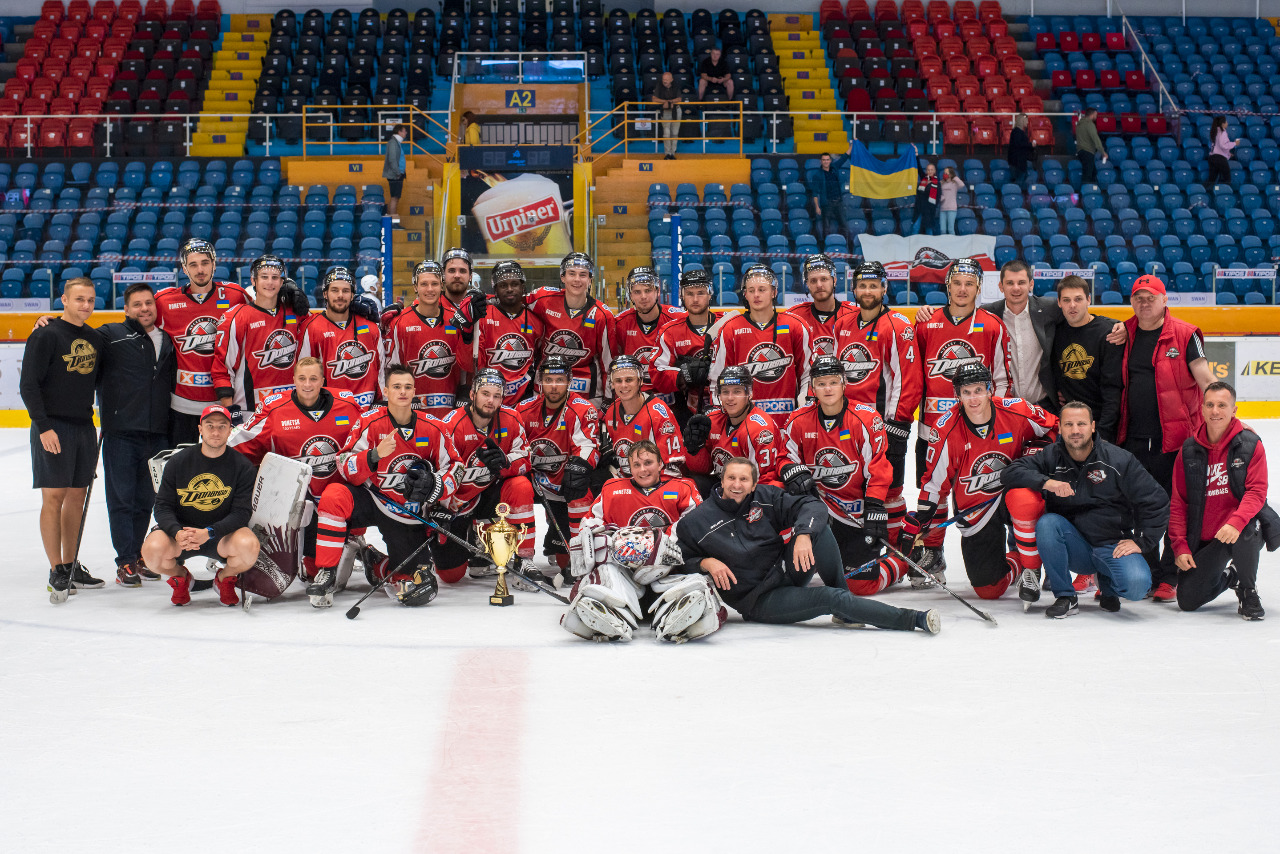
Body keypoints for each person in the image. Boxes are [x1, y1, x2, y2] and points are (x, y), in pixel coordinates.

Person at [676, 457, 940, 633]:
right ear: (721, 480)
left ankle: (846, 607)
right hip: (761, 599)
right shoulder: (696, 522)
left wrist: (803, 534)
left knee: (818, 530)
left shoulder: (764, 496)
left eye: (744, 479)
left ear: (754, 484)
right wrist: (705, 562)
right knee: (830, 598)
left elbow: (812, 505)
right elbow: (679, 564)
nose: (737, 485)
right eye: (731, 478)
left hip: (786, 570)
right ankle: (911, 619)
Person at [1001, 401, 1167, 618]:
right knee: (1048, 523)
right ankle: (1065, 596)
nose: (1075, 430)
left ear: (1093, 426)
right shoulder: (1051, 456)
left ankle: (1108, 584)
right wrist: (1047, 482)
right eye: (1069, 424)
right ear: (1060, 428)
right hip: (1074, 546)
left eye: (1081, 424)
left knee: (1137, 587)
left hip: (1112, 545)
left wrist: (1142, 541)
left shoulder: (1118, 459)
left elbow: (1156, 500)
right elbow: (1010, 472)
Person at [906, 364, 1056, 598]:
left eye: (978, 390)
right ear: (957, 395)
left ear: (989, 389)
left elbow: (1054, 427)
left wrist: (1038, 454)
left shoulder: (1017, 410)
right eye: (966, 392)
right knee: (988, 589)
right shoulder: (945, 429)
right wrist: (923, 523)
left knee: (1024, 500)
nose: (973, 398)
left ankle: (1031, 567)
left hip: (1013, 492)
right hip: (976, 507)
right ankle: (1018, 561)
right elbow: (935, 485)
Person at [315, 364, 460, 606]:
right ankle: (326, 572)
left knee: (412, 582)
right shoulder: (369, 422)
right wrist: (373, 456)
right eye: (396, 387)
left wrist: (435, 485)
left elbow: (457, 468)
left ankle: (376, 563)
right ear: (386, 391)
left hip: (407, 513)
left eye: (407, 387)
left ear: (414, 392)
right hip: (373, 499)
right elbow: (343, 463)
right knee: (334, 496)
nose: (402, 392)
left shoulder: (434, 427)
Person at [562, 441, 721, 642]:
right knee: (604, 573)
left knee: (694, 581)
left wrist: (659, 543)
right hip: (625, 571)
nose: (642, 469)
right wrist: (614, 541)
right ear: (629, 467)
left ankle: (680, 609)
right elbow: (589, 525)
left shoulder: (683, 487)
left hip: (668, 570)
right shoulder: (612, 488)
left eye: (648, 463)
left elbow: (695, 524)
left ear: (660, 464)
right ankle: (608, 611)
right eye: (636, 465)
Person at [1118, 274, 1215, 602]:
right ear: (1132, 302)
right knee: (1140, 507)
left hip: (1175, 440)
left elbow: (1205, 379)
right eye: (1138, 298)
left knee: (1176, 507)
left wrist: (1228, 418)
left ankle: (1170, 575)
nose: (1145, 303)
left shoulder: (1185, 334)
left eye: (1151, 297)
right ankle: (1147, 570)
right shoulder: (1125, 332)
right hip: (1133, 439)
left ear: (1164, 300)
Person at [228, 357, 365, 591]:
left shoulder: (348, 405)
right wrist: (209, 453)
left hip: (338, 498)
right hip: (298, 500)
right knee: (314, 572)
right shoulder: (275, 409)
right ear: (293, 380)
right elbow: (240, 443)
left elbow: (367, 442)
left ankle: (357, 545)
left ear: (323, 380)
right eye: (302, 379)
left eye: (313, 378)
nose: (307, 384)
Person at [781, 356, 910, 595]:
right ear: (812, 387)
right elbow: (784, 457)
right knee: (794, 577)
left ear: (844, 383)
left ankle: (903, 559)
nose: (827, 389)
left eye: (833, 382)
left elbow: (878, 468)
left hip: (854, 511)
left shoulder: (866, 418)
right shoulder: (798, 420)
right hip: (816, 510)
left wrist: (874, 505)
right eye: (821, 384)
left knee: (860, 586)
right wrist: (790, 470)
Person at [21, 278, 106, 602]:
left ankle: (70, 565)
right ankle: (56, 568)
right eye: (79, 299)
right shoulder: (45, 334)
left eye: (90, 300)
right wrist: (43, 427)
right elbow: (29, 385)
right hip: (52, 426)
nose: (86, 305)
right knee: (54, 496)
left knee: (76, 497)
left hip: (83, 426)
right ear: (64, 300)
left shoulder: (94, 338)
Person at [830, 261, 922, 542]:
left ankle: (898, 553)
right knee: (853, 487)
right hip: (848, 425)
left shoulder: (897, 325)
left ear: (884, 289)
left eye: (873, 285)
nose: (867, 291)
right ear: (854, 289)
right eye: (862, 285)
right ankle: (861, 548)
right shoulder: (843, 324)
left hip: (883, 426)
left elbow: (908, 379)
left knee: (890, 492)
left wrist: (897, 424)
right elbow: (835, 376)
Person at [1171, 383, 1278, 620]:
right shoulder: (1188, 451)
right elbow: (1179, 503)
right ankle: (1233, 576)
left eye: (1222, 405)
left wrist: (1236, 522)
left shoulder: (1250, 444)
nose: (1215, 411)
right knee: (1187, 600)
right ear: (1202, 408)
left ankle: (1248, 591)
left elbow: (1257, 492)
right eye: (1210, 405)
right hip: (1209, 538)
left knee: (1247, 528)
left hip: (1240, 528)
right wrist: (1180, 545)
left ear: (1234, 410)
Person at [142, 404, 261, 607]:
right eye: (210, 426)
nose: (215, 432)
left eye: (222, 426)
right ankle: (181, 578)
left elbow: (242, 512)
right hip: (182, 536)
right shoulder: (178, 462)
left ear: (230, 430)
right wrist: (177, 532)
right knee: (152, 551)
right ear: (200, 429)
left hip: (221, 536)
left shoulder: (242, 466)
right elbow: (162, 507)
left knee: (249, 546)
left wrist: (210, 532)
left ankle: (224, 579)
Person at [97, 282, 175, 587]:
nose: (144, 309)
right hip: (121, 432)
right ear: (126, 309)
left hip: (157, 434)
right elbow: (75, 337)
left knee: (146, 499)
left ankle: (140, 555)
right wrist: (48, 321)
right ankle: (125, 560)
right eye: (137, 304)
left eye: (148, 303)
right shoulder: (110, 334)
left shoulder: (167, 339)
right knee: (121, 500)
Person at [912, 258, 1013, 483]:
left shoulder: (992, 325)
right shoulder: (926, 323)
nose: (962, 289)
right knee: (930, 495)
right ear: (948, 285)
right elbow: (914, 377)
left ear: (978, 288)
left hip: (975, 426)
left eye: (969, 284)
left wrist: (993, 419)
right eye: (957, 283)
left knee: (970, 493)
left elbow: (1002, 380)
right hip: (931, 427)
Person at [435, 369, 536, 584]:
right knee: (450, 575)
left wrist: (506, 462)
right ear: (472, 395)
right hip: (458, 503)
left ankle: (524, 558)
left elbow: (526, 459)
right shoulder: (451, 425)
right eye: (485, 394)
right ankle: (472, 535)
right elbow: (440, 473)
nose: (491, 401)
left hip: (491, 495)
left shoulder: (511, 418)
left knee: (520, 485)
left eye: (497, 396)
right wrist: (440, 509)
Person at [154, 238, 250, 446]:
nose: (200, 270)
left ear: (214, 264)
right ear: (184, 269)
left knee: (220, 463)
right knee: (181, 461)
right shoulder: (164, 301)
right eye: (193, 264)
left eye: (205, 263)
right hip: (181, 405)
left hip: (223, 402)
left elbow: (266, 312)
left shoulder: (236, 296)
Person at [515, 357, 601, 578]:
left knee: (580, 483)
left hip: (565, 484)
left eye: (560, 380)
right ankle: (522, 557)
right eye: (549, 380)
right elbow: (515, 447)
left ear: (569, 381)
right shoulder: (523, 410)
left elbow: (588, 447)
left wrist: (579, 466)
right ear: (540, 382)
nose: (554, 386)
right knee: (514, 485)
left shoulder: (583, 409)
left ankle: (578, 554)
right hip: (535, 482)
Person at [212, 254, 310, 421]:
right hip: (250, 411)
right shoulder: (236, 318)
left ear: (282, 282)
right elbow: (223, 369)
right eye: (264, 277)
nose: (270, 282)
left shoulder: (296, 313)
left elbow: (323, 329)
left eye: (275, 278)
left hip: (291, 407)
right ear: (253, 280)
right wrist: (230, 411)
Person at [708, 264, 813, 418]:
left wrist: (803, 411)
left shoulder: (795, 326)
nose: (756, 295)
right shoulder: (730, 329)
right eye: (751, 290)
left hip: (788, 421)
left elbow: (808, 375)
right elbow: (717, 379)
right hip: (744, 423)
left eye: (762, 289)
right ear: (745, 294)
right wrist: (723, 418)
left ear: (774, 292)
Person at [527, 252, 616, 407]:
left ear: (590, 279)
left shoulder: (602, 315)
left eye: (583, 275)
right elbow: (510, 300)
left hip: (587, 394)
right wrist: (484, 300)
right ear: (563, 277)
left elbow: (608, 362)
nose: (577, 279)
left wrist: (609, 399)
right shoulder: (543, 299)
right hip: (546, 387)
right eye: (572, 273)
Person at [683, 366, 783, 496]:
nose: (730, 398)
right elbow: (704, 470)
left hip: (753, 490)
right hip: (725, 485)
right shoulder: (713, 420)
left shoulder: (759, 429)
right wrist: (695, 450)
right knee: (690, 485)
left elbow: (767, 481)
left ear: (749, 393)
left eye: (737, 391)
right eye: (725, 392)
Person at [386, 259, 468, 416]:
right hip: (412, 413)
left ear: (442, 285)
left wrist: (464, 391)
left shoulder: (456, 320)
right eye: (424, 284)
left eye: (434, 284)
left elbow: (464, 364)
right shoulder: (400, 322)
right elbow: (392, 367)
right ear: (415, 287)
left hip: (451, 412)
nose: (430, 289)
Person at [1050, 274, 1124, 442]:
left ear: (1088, 299)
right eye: (1066, 300)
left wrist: (1103, 434)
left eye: (1078, 299)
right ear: (1059, 303)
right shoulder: (1054, 332)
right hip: (1069, 423)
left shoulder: (1109, 333)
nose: (1072, 305)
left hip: (1101, 424)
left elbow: (1112, 391)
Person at [458, 260, 542, 406]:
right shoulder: (483, 317)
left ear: (523, 287)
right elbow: (470, 364)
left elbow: (540, 358)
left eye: (514, 284)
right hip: (489, 399)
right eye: (503, 285)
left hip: (524, 400)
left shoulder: (536, 321)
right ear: (495, 289)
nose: (509, 289)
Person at [298, 267, 383, 408]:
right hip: (329, 411)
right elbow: (304, 373)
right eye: (334, 290)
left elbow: (381, 373)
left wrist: (382, 403)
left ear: (352, 295)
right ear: (325, 294)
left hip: (367, 411)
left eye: (346, 291)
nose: (340, 295)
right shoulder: (311, 328)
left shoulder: (371, 328)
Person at [598, 355, 686, 481]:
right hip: (626, 480)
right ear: (612, 384)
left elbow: (672, 472)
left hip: (655, 482)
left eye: (629, 380)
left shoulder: (658, 414)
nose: (623, 385)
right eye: (618, 381)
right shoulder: (611, 411)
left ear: (640, 381)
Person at [651, 268, 718, 428]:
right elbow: (656, 371)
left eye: (700, 293)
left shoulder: (728, 324)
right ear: (682, 295)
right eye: (689, 293)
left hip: (726, 409)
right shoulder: (670, 331)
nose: (695, 299)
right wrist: (683, 374)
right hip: (686, 412)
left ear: (710, 294)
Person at [613, 265, 685, 393]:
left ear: (657, 291)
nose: (643, 296)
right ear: (630, 295)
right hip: (634, 396)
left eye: (648, 290)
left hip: (671, 395)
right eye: (637, 292)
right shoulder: (620, 323)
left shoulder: (677, 319)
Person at [782, 253, 856, 359]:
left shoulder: (853, 314)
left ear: (834, 281)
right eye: (813, 281)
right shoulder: (794, 316)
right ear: (807, 284)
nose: (819, 285)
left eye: (824, 279)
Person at [809, 145, 852, 243]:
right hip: (827, 203)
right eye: (824, 160)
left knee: (844, 225)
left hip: (838, 202)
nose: (826, 161)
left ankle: (845, 245)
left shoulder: (834, 168)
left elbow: (844, 157)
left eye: (827, 160)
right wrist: (817, 207)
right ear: (821, 161)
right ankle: (827, 246)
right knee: (826, 227)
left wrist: (852, 145)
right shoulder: (817, 175)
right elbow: (815, 193)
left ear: (830, 161)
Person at [650, 71, 682, 159]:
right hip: (665, 111)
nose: (664, 81)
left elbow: (679, 99)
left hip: (676, 110)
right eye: (663, 79)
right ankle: (667, 153)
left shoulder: (676, 85)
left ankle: (673, 153)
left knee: (674, 133)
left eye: (667, 80)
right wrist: (665, 102)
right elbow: (654, 99)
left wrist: (670, 102)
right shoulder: (659, 85)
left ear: (671, 80)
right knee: (666, 133)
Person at [1074, 108, 1105, 184]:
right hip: (1088, 151)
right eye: (1096, 115)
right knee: (1087, 175)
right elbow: (1095, 138)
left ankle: (1092, 189)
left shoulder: (1079, 124)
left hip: (1080, 151)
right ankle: (1085, 190)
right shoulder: (1089, 124)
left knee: (1093, 173)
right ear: (1093, 114)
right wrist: (1103, 152)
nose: (1096, 116)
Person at [383, 122, 408, 218]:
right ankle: (393, 221)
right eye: (404, 131)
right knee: (395, 198)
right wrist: (398, 173)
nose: (406, 133)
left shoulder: (396, 143)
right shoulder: (393, 143)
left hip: (398, 174)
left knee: (395, 198)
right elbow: (392, 160)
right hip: (395, 175)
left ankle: (392, 220)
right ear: (399, 132)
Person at [1206, 115, 1236, 191]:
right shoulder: (1223, 132)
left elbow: (1217, 146)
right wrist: (1234, 143)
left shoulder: (1215, 131)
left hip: (1212, 157)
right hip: (1220, 159)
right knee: (1227, 179)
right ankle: (1225, 194)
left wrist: (1228, 154)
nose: (1227, 123)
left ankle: (1201, 191)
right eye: (1226, 122)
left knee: (1211, 180)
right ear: (1223, 123)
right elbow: (1223, 145)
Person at [1007, 113, 1035, 185]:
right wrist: (1030, 145)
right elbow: (1019, 144)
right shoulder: (1017, 132)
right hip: (1017, 163)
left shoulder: (1018, 132)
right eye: (1026, 120)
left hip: (1019, 162)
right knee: (1019, 182)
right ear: (1022, 121)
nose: (1027, 122)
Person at [937, 167, 965, 235]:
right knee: (942, 229)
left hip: (952, 209)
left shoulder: (954, 183)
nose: (945, 174)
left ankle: (952, 241)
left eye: (947, 173)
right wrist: (941, 197)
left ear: (951, 174)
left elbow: (962, 184)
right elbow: (937, 193)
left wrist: (954, 177)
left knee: (950, 229)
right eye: (944, 173)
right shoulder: (941, 183)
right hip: (943, 208)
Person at [914, 162, 939, 235]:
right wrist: (917, 157)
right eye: (928, 170)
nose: (930, 171)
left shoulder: (937, 183)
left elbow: (938, 197)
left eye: (931, 170)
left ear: (934, 171)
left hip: (929, 210)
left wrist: (932, 207)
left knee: (929, 229)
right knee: (915, 227)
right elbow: (919, 168)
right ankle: (913, 242)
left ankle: (930, 242)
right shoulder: (923, 178)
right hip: (920, 208)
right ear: (926, 171)